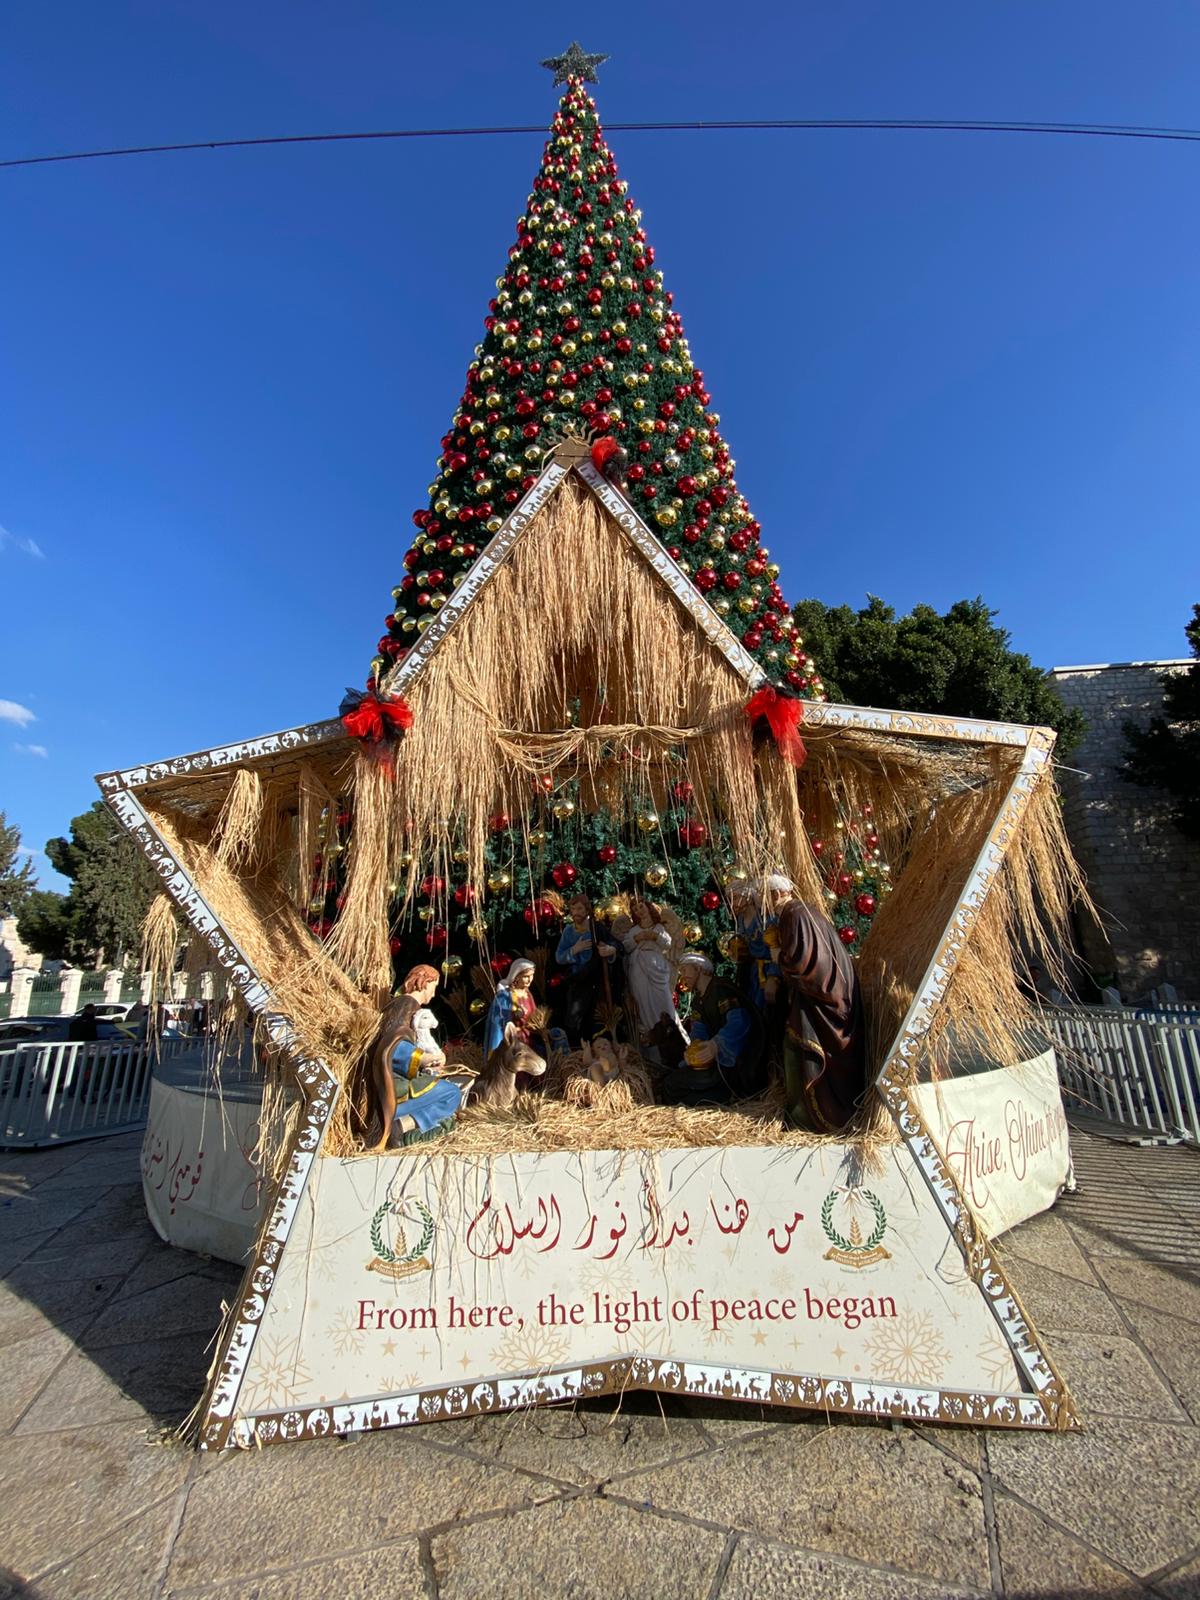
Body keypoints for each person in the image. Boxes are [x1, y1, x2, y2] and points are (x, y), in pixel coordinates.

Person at [776, 899, 866, 1133]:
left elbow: (802, 964)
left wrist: (779, 957)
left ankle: (811, 1119)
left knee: (797, 1052)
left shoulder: (795, 914)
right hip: (819, 1002)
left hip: (824, 1006)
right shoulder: (804, 913)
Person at [368, 964, 463, 1151]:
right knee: (451, 1093)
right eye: (434, 987)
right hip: (396, 1084)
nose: (434, 994)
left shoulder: (409, 1007)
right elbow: (393, 1046)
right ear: (424, 982)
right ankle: (401, 1126)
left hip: (403, 1078)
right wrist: (424, 1058)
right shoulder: (405, 1005)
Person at [659, 952, 766, 1106]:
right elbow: (699, 1030)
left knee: (674, 1087)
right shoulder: (698, 1000)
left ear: (698, 969)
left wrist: (716, 1045)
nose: (683, 975)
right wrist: (694, 1050)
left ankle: (727, 1095)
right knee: (672, 1084)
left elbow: (740, 1022)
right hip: (714, 1062)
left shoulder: (721, 990)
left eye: (685, 970)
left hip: (733, 1061)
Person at [620, 899, 686, 1055]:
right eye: (635, 909)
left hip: (657, 969)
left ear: (648, 907)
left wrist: (653, 936)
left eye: (641, 907)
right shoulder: (634, 930)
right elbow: (625, 946)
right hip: (638, 971)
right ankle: (652, 1039)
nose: (639, 911)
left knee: (664, 1002)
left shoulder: (659, 927)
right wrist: (637, 938)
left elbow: (667, 943)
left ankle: (674, 1035)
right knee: (643, 1003)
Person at [554, 894, 616, 1045]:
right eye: (573, 909)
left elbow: (615, 944)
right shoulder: (569, 931)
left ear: (587, 910)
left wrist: (610, 950)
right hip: (578, 981)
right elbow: (559, 957)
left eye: (579, 909)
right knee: (574, 1017)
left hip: (597, 982)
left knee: (597, 1017)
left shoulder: (597, 929)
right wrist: (574, 949)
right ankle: (578, 1048)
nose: (576, 912)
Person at [483, 958, 542, 1063]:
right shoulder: (505, 996)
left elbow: (534, 1016)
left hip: (529, 1038)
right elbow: (498, 1023)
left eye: (532, 975)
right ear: (517, 976)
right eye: (526, 976)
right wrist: (513, 1015)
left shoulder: (528, 994)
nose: (530, 980)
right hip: (514, 1041)